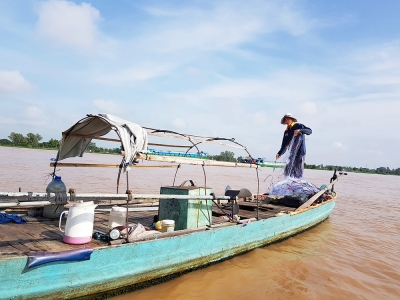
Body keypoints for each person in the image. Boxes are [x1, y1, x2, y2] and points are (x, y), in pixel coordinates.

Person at [276, 113, 312, 179]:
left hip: (300, 152)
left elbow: (309, 131)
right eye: (285, 120)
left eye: (288, 119)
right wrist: (279, 153)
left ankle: (298, 182)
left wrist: (300, 131)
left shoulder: (298, 125)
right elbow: (284, 144)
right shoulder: (286, 132)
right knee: (287, 169)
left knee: (297, 170)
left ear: (292, 120)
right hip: (292, 153)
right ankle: (288, 183)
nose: (286, 121)